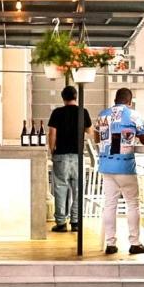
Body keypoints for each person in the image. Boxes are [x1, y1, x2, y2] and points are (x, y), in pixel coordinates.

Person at [96, 87, 144, 255]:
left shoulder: (103, 115)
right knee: (132, 204)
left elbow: (97, 138)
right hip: (125, 166)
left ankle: (110, 244)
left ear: (115, 100)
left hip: (106, 166)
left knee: (109, 205)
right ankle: (134, 243)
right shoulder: (133, 115)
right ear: (129, 101)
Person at [47, 85, 91, 232]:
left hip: (61, 155)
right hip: (78, 155)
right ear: (76, 96)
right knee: (78, 190)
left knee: (60, 189)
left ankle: (61, 223)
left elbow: (52, 133)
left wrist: (52, 150)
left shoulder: (57, 112)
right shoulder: (83, 112)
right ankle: (76, 222)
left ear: (63, 97)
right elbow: (90, 132)